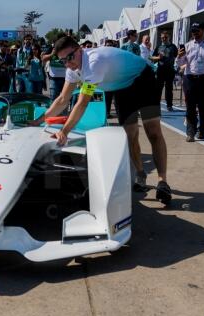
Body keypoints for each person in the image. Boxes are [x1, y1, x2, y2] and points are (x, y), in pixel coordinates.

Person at [31, 36, 172, 204]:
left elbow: (82, 103)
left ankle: (163, 181)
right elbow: (62, 99)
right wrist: (38, 121)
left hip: (143, 79)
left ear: (79, 50)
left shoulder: (94, 63)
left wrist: (64, 131)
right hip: (123, 87)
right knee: (130, 134)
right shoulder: (72, 69)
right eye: (62, 61)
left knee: (153, 132)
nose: (68, 64)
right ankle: (141, 174)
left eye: (70, 57)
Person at [176, 22, 204, 142]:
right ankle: (190, 132)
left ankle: (201, 130)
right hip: (190, 78)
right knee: (190, 108)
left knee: (203, 108)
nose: (194, 33)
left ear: (203, 30)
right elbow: (180, 65)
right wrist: (179, 57)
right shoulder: (188, 45)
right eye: (193, 31)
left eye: (197, 30)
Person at [151, 31, 178, 111]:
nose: (164, 39)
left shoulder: (173, 46)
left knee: (169, 89)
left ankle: (169, 105)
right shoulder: (158, 47)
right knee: (158, 89)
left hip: (170, 70)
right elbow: (152, 58)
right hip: (160, 70)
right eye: (162, 37)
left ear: (169, 37)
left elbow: (177, 56)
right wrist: (158, 58)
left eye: (165, 37)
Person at [42, 33, 67, 100]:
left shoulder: (68, 49)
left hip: (66, 78)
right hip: (54, 78)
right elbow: (43, 58)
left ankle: (64, 110)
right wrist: (52, 54)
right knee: (54, 98)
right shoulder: (52, 48)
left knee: (64, 99)